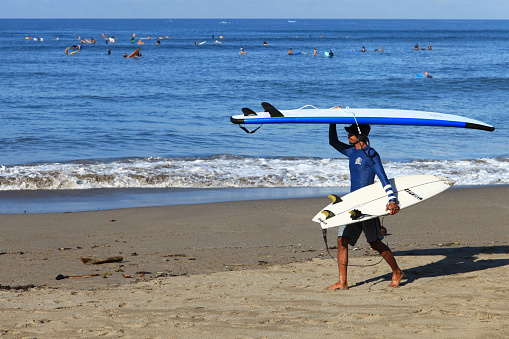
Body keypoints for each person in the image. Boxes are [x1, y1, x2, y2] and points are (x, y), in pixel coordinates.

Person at [327, 123, 404, 290]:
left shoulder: (371, 154)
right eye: (348, 133)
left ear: (361, 135)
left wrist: (392, 200)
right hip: (351, 203)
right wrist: (332, 120)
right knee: (342, 240)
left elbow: (383, 178)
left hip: (367, 205)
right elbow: (332, 141)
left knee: (375, 243)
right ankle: (343, 282)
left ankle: (397, 272)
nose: (348, 135)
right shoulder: (350, 152)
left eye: (352, 133)